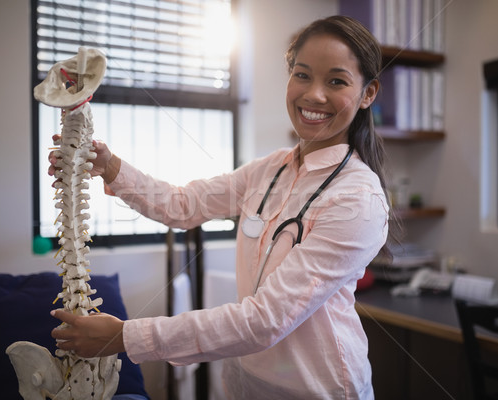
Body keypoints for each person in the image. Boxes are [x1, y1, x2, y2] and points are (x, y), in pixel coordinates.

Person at [50, 15, 392, 399]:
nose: (313, 94)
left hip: (319, 389)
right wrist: (109, 167)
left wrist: (127, 336)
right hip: (246, 380)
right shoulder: (272, 169)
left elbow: (264, 320)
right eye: (302, 75)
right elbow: (183, 205)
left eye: (336, 81)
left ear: (368, 93)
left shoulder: (358, 197)